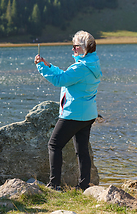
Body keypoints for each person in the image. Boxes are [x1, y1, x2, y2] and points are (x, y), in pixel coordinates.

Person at [34, 30, 102, 191]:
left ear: (83, 47)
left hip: (73, 114)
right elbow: (66, 76)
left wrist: (40, 67)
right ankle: (84, 186)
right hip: (87, 115)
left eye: (75, 46)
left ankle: (54, 184)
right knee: (82, 151)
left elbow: (60, 80)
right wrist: (48, 65)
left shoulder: (81, 67)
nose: (72, 49)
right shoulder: (92, 64)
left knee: (54, 145)